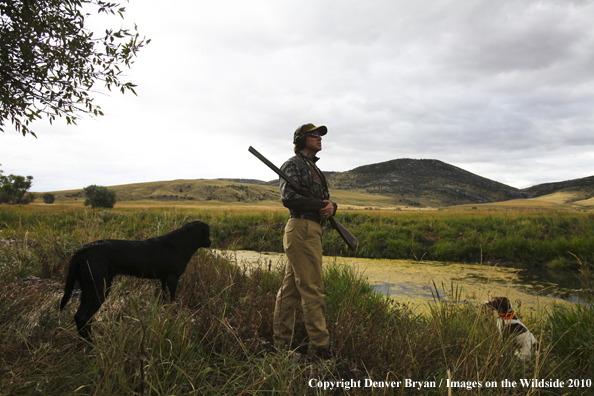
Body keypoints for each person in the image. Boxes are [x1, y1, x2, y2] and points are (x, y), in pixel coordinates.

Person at [273, 123, 337, 356]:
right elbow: (288, 198)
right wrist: (321, 205)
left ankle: (281, 344)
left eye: (320, 135)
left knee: (290, 291)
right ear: (301, 140)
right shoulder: (293, 165)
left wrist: (332, 207)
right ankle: (320, 347)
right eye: (314, 135)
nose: (320, 138)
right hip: (302, 228)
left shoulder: (312, 168)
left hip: (309, 229)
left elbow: (324, 201)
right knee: (313, 289)